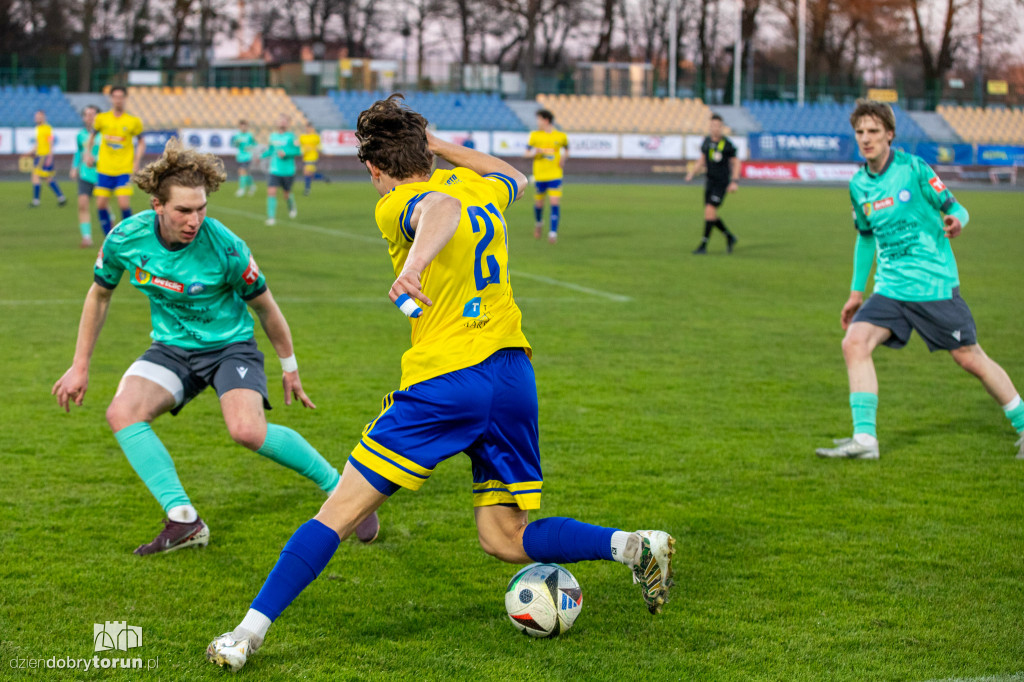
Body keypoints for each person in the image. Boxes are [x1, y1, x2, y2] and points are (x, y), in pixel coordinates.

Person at [205, 94, 675, 672]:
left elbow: (439, 211)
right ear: (427, 153)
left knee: (338, 512)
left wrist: (413, 266)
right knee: (504, 537)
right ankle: (632, 545)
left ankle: (245, 635)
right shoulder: (477, 185)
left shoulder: (397, 203)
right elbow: (515, 177)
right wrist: (441, 146)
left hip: (448, 380)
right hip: (512, 376)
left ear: (375, 169)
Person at [52, 139, 379, 555]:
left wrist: (289, 366)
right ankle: (184, 521)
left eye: (201, 208)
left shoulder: (226, 247)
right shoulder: (125, 239)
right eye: (183, 211)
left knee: (247, 431)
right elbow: (99, 295)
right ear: (157, 205)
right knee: (122, 412)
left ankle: (341, 489)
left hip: (230, 348)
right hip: (171, 348)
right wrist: (80, 365)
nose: (194, 220)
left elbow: (266, 308)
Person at [816, 99, 1024, 460]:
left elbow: (955, 207)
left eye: (873, 131)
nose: (865, 138)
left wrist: (957, 220)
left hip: (932, 285)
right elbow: (866, 238)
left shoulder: (914, 169)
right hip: (890, 288)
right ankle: (865, 440)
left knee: (969, 357)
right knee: (855, 343)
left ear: (889, 134)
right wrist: (855, 293)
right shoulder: (858, 185)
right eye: (860, 132)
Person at [86, 86, 146, 235]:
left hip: (123, 169)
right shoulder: (102, 119)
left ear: (125, 99)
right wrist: (88, 154)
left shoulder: (133, 121)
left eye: (121, 97)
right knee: (101, 204)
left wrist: (136, 161)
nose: (118, 100)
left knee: (123, 204)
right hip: (104, 168)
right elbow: (92, 136)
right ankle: (108, 237)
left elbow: (141, 142)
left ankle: (128, 234)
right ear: (111, 98)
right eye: (115, 97)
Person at [685, 113, 740, 255]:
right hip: (709, 181)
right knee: (710, 214)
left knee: (709, 210)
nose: (715, 128)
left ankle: (703, 245)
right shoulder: (706, 141)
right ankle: (730, 237)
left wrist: (734, 181)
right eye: (712, 125)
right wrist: (692, 173)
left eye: (717, 126)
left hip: (721, 183)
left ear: (721, 127)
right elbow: (702, 159)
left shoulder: (727, 144)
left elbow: (736, 162)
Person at [524, 109, 568, 243]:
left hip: (555, 175)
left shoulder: (560, 136)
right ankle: (539, 223)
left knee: (555, 203)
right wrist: (535, 153)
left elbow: (567, 149)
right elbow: (526, 154)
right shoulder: (535, 136)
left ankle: (552, 233)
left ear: (546, 120)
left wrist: (563, 158)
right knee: (539, 204)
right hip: (540, 176)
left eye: (539, 119)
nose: (537, 122)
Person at [71, 105, 101, 247]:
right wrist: (74, 167)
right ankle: (87, 237)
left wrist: (97, 159)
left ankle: (110, 231)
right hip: (85, 174)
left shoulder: (104, 134)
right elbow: (79, 151)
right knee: (82, 204)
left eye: (93, 114)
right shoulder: (80, 135)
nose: (90, 117)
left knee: (102, 206)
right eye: (87, 115)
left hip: (102, 173)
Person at [24, 109, 67, 208]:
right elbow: (37, 144)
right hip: (39, 155)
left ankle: (36, 201)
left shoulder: (47, 128)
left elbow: (50, 143)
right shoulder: (38, 128)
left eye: (38, 116)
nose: (36, 118)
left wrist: (50, 157)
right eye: (36, 116)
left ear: (43, 117)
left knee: (35, 176)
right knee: (48, 178)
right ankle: (61, 197)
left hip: (44, 156)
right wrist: (29, 153)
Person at [262, 115, 300, 225]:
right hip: (274, 169)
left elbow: (298, 151)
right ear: (277, 123)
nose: (282, 122)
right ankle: (271, 218)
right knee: (271, 192)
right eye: (280, 121)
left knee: (286, 193)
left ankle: (291, 205)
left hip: (288, 170)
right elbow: (271, 151)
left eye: (284, 121)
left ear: (288, 124)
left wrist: (286, 153)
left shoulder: (292, 137)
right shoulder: (272, 136)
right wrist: (261, 156)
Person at [299, 123, 328, 196]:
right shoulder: (302, 137)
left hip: (313, 157)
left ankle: (307, 190)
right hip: (305, 157)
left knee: (306, 172)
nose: (308, 129)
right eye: (307, 128)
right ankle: (322, 177)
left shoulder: (316, 137)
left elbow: (320, 147)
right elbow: (300, 146)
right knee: (310, 174)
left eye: (310, 128)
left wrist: (315, 149)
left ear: (312, 128)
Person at [231, 119, 258, 198]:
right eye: (242, 126)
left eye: (245, 126)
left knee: (242, 171)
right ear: (239, 127)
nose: (243, 128)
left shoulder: (250, 135)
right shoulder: (237, 135)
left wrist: (250, 147)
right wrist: (236, 143)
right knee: (245, 173)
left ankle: (242, 189)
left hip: (247, 156)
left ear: (247, 127)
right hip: (240, 156)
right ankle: (252, 186)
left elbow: (255, 144)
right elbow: (234, 144)